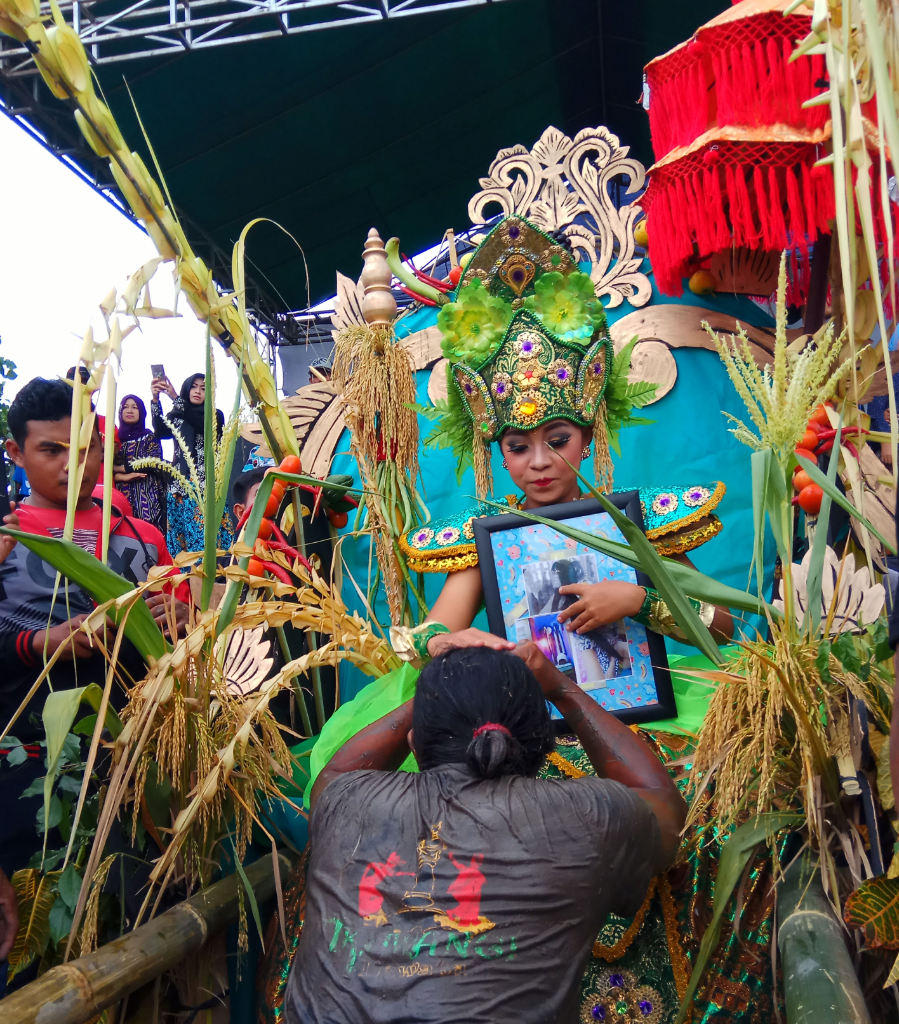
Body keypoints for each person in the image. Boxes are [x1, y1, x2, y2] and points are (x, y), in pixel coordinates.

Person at [284, 644, 686, 1023]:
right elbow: (663, 809)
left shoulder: (344, 798)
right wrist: (562, 687)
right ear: (544, 747)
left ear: (413, 744)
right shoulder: (590, 814)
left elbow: (335, 772)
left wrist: (440, 685)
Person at [0, 377, 190, 881]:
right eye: (51, 450)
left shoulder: (143, 539)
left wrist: (184, 620)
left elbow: (192, 640)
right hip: (30, 772)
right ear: (15, 451)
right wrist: (42, 643)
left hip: (141, 772)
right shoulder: (6, 541)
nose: (72, 464)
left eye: (85, 449)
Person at [151, 372, 234, 555]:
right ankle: (185, 582)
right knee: (179, 542)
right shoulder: (177, 416)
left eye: (203, 388)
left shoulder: (214, 415)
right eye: (194, 387)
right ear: (187, 389)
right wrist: (156, 400)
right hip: (179, 487)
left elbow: (200, 424)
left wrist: (175, 398)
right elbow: (159, 430)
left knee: (202, 539)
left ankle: (208, 579)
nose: (198, 391)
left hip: (204, 487)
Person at [113, 394, 166, 533]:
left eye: (134, 407)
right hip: (120, 497)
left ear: (141, 412)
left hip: (148, 496)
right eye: (126, 407)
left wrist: (119, 469)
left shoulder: (149, 437)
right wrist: (121, 477)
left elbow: (153, 461)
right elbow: (102, 467)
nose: (129, 411)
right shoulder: (114, 440)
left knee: (149, 535)